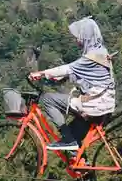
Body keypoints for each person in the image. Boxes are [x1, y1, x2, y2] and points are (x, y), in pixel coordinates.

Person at [28, 17, 115, 151]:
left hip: (95, 105)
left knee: (47, 99)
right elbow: (81, 73)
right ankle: (79, 159)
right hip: (105, 104)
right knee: (74, 131)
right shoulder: (101, 52)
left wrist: (41, 73)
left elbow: (68, 68)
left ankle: (68, 141)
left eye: (78, 37)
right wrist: (61, 77)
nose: (76, 40)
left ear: (86, 37)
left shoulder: (91, 57)